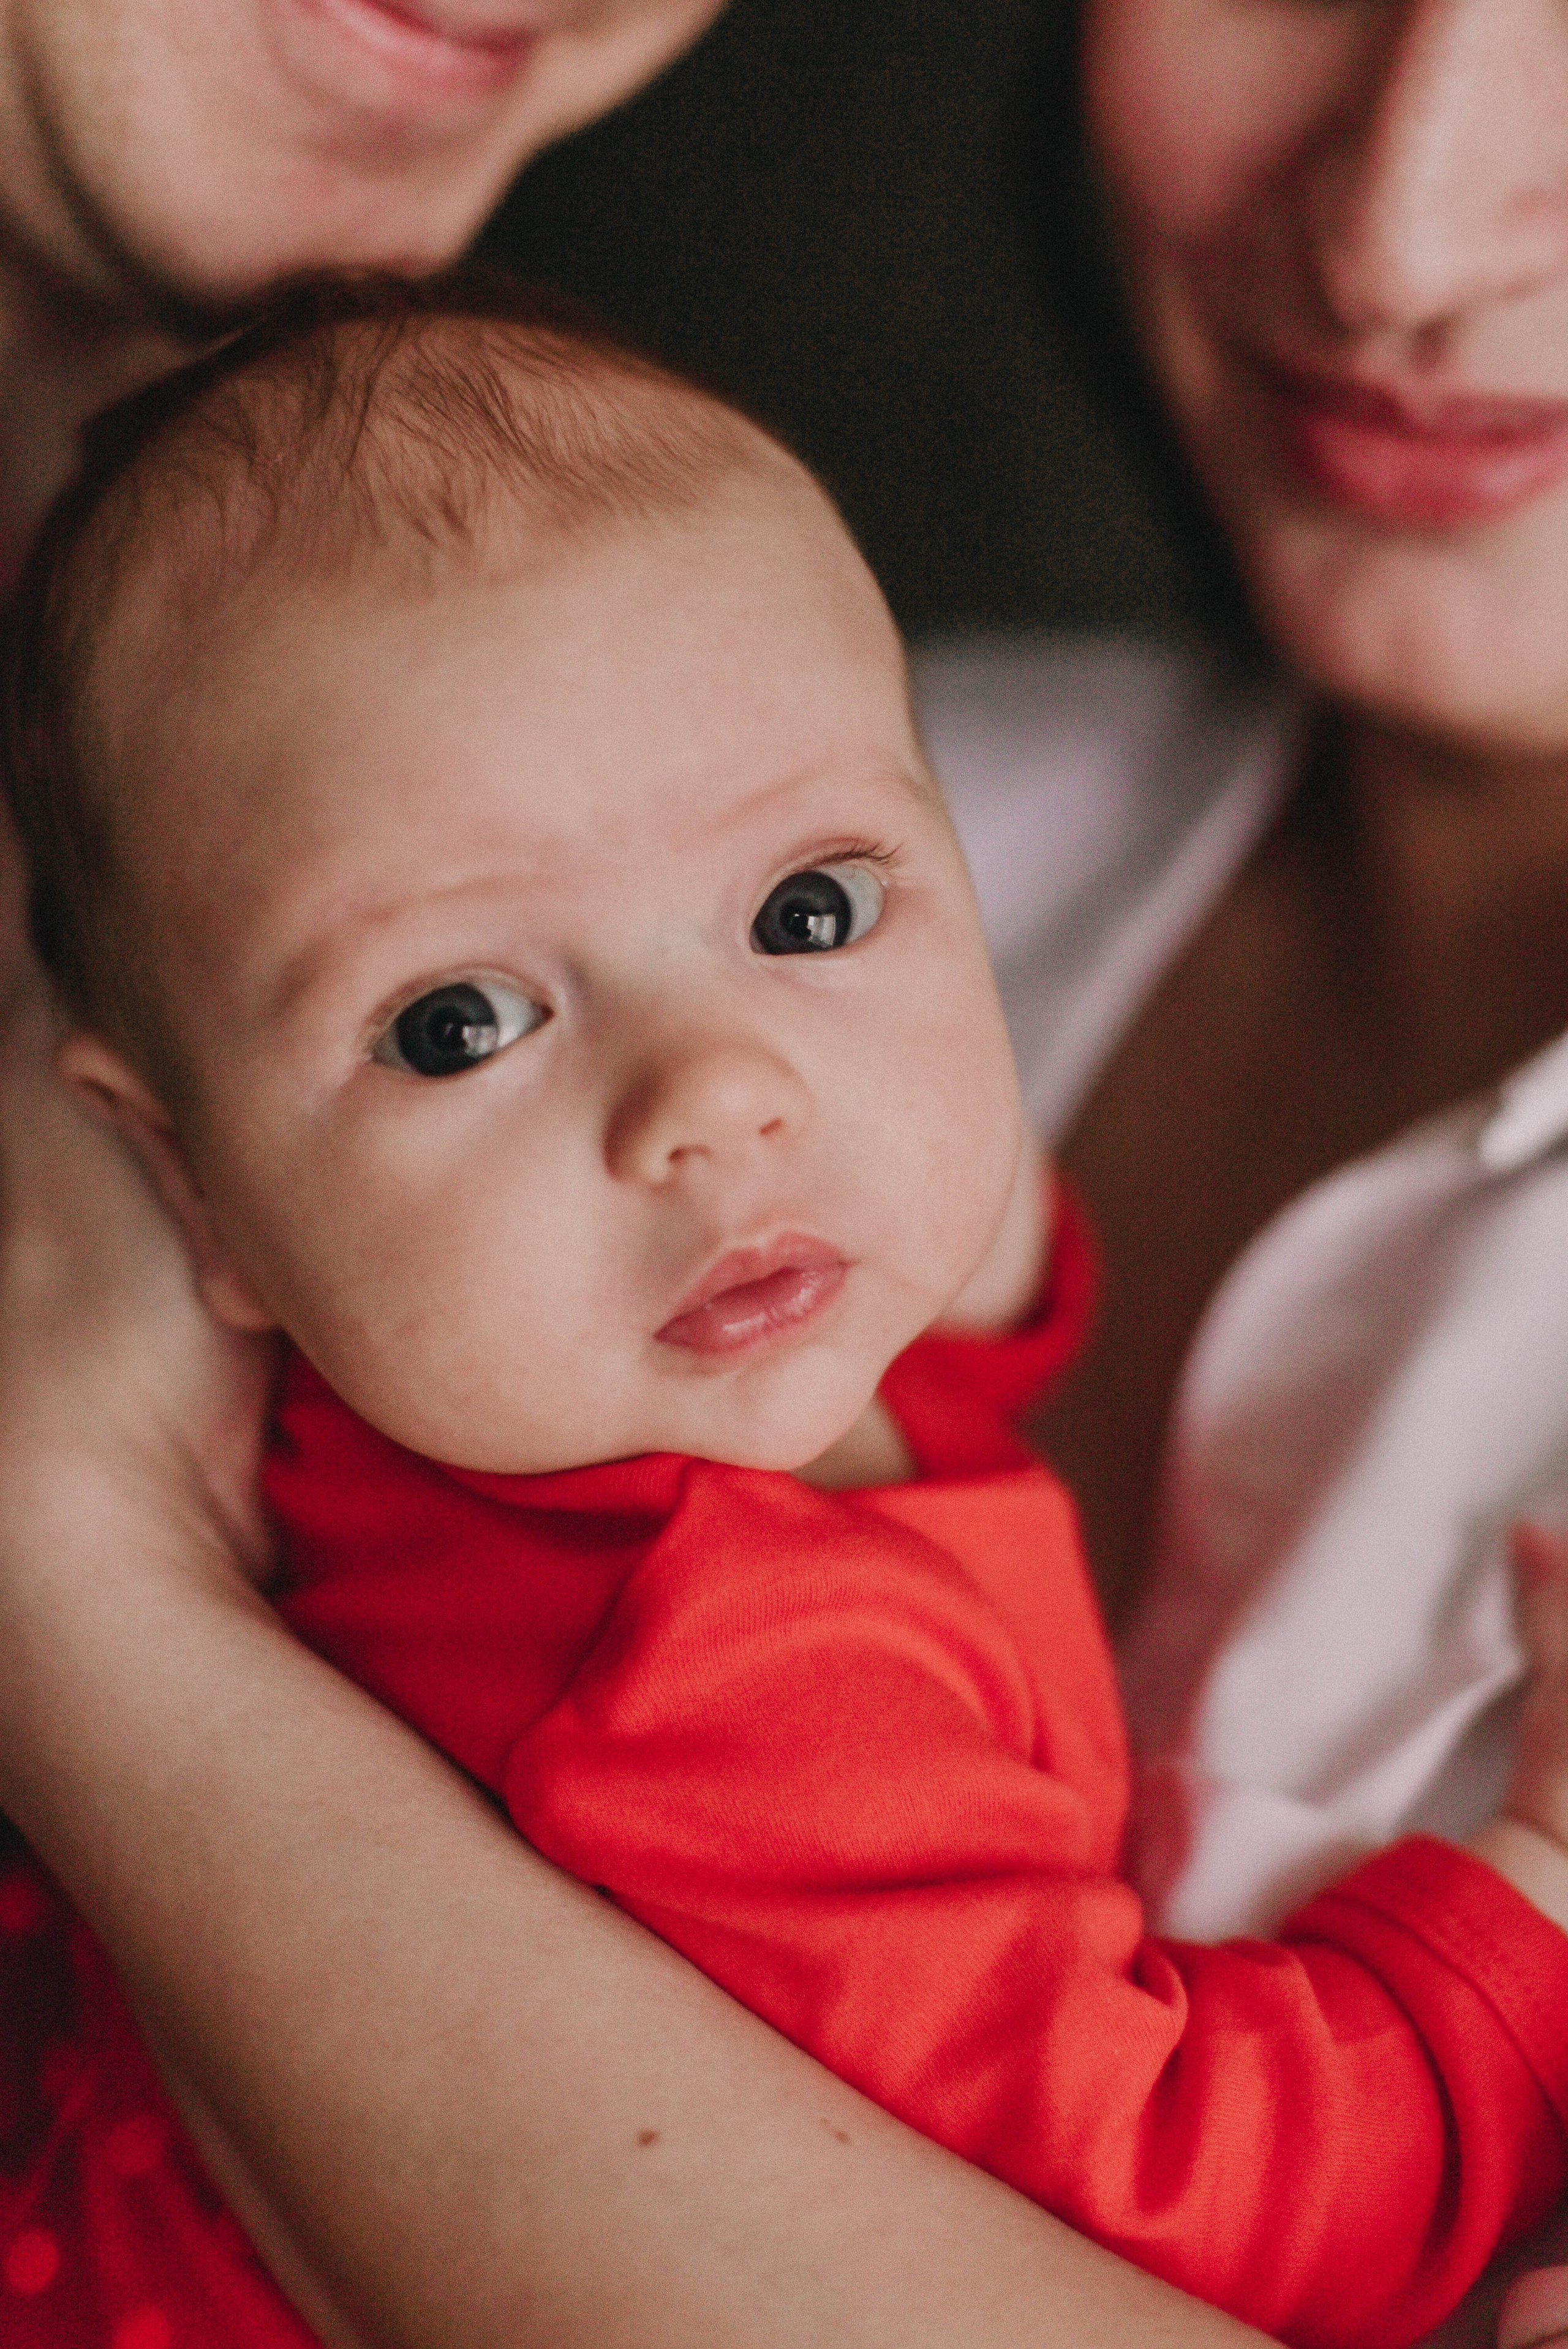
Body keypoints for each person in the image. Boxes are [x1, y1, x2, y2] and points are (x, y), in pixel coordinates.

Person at [4, 2, 1568, 2348]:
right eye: (458, 1027)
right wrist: (1529, 1890)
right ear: (182, 1176)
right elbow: (1211, 2203)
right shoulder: (755, 748)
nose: (718, 1099)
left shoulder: (486, 1141)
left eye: (819, 920)